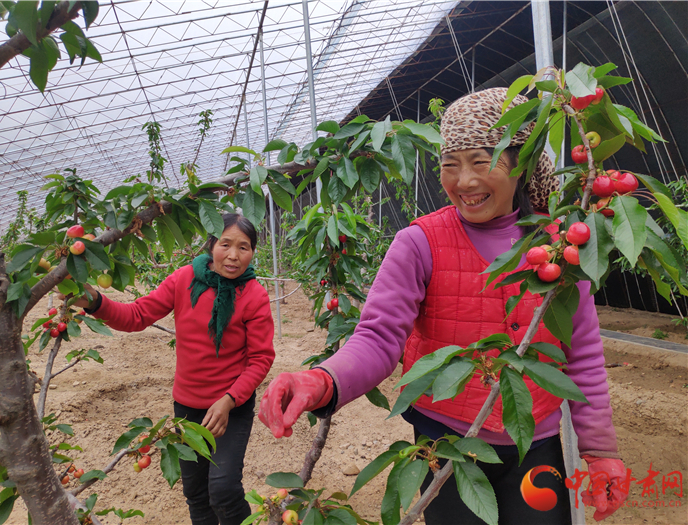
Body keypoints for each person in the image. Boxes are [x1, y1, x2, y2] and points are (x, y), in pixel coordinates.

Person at [258, 88, 628, 524]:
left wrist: (600, 450)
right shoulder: (419, 243)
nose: (464, 182)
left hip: (539, 442)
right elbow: (378, 338)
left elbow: (581, 353)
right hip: (448, 441)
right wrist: (321, 380)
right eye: (450, 165)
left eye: (481, 161)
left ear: (521, 163)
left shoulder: (561, 248)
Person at [72, 213, 275, 525]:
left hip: (230, 408)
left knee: (223, 490)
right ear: (211, 245)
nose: (234, 255)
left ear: (253, 252)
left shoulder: (254, 295)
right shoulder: (184, 280)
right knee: (196, 493)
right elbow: (136, 316)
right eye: (225, 244)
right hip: (188, 408)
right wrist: (95, 301)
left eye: (244, 247)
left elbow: (261, 358)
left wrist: (229, 399)